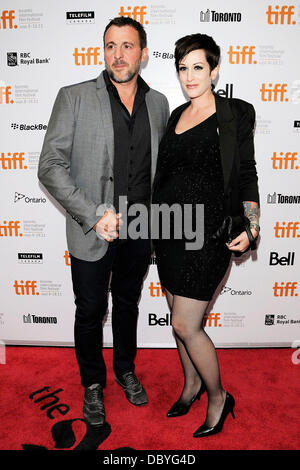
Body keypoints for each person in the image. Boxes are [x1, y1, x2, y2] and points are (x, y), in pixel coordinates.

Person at [38, 16, 169, 427]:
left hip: (140, 229)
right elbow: (50, 166)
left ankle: (125, 370)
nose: (119, 54)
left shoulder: (159, 103)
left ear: (143, 54)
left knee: (128, 304)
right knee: (90, 309)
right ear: (103, 51)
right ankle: (93, 384)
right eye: (111, 45)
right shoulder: (74, 96)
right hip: (92, 229)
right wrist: (95, 215)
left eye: (128, 46)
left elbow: (161, 171)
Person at [152, 33, 260, 438]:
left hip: (208, 235)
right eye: (183, 68)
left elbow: (246, 172)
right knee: (176, 321)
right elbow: (167, 176)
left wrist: (251, 226)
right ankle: (192, 384)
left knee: (185, 324)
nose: (189, 76)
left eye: (198, 67)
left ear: (214, 70)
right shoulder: (175, 115)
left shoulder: (234, 114)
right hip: (168, 232)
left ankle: (218, 396)